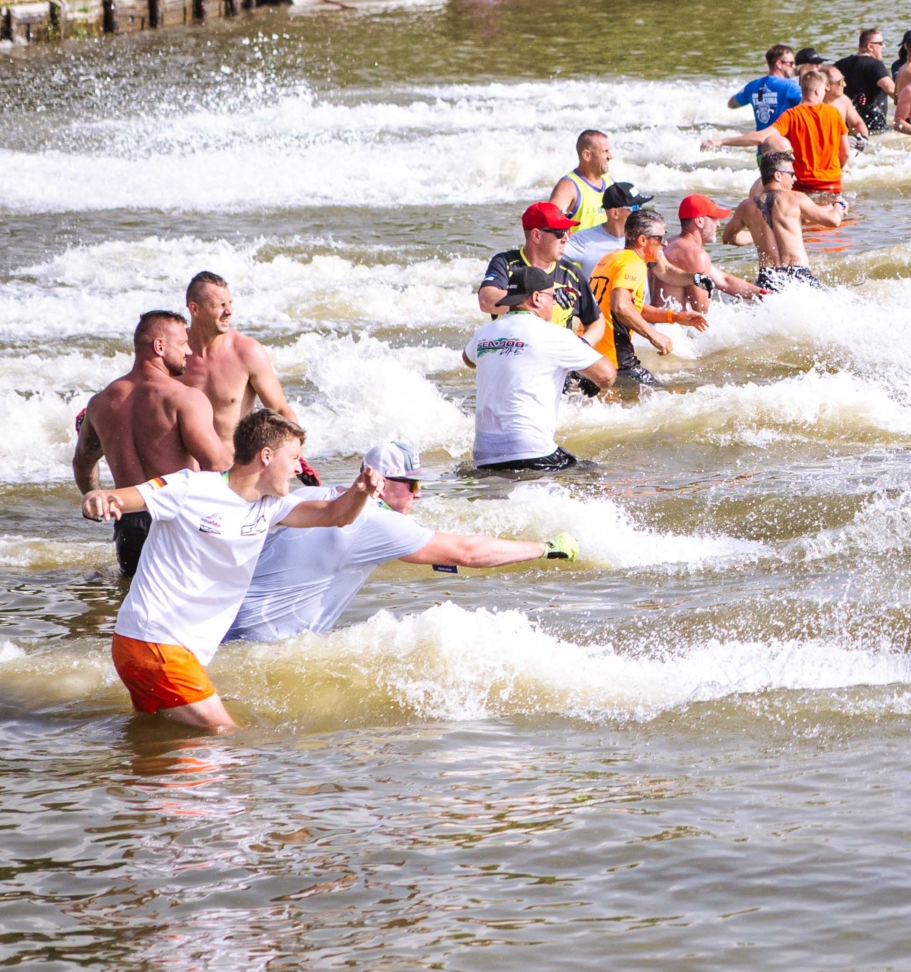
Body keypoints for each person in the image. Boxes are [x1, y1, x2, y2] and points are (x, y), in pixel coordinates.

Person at [83, 408, 382, 733]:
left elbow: (335, 514)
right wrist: (99, 498)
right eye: (294, 457)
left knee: (166, 746)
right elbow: (123, 497)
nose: (299, 468)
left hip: (161, 649)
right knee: (227, 739)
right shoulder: (189, 488)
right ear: (266, 456)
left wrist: (360, 491)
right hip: (156, 641)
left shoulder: (271, 506)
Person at [227, 440, 577, 645]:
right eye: (411, 484)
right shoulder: (378, 522)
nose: (418, 493)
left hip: (224, 628)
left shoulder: (317, 495)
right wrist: (543, 548)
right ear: (380, 481)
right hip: (266, 643)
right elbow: (468, 553)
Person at [72, 311, 226, 582]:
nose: (189, 351)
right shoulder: (185, 398)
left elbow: (83, 463)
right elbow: (217, 466)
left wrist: (98, 502)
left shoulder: (101, 402)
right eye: (182, 343)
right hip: (175, 521)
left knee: (134, 602)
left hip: (129, 524)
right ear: (159, 346)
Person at [466, 265, 616, 470]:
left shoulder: (484, 332)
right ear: (536, 298)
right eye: (552, 296)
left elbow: (468, 359)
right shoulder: (555, 335)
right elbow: (607, 376)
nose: (554, 302)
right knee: (591, 473)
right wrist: (576, 367)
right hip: (531, 449)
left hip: (484, 455)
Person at [178, 271, 298, 453]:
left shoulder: (247, 352)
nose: (229, 311)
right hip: (186, 471)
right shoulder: (174, 352)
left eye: (230, 303)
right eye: (219, 305)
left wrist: (297, 458)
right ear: (195, 309)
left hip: (231, 468)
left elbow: (280, 410)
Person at [586, 208, 708, 386]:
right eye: (661, 238)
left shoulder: (610, 258)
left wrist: (674, 317)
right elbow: (620, 305)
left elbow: (630, 308)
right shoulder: (633, 263)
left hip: (590, 353)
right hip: (614, 358)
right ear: (642, 240)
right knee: (668, 398)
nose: (665, 244)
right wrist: (653, 335)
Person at [703, 67, 858, 193]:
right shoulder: (834, 113)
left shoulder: (791, 115)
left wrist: (722, 141)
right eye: (824, 89)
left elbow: (760, 138)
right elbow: (845, 152)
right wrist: (836, 171)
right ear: (817, 91)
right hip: (833, 186)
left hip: (803, 187)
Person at [721, 150, 844, 290]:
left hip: (767, 278)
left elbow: (729, 238)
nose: (795, 179)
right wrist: (839, 205)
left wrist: (757, 234)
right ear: (778, 175)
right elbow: (833, 220)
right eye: (791, 174)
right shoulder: (796, 198)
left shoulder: (746, 206)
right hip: (798, 275)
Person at [479, 201, 602, 332]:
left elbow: (596, 321)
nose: (566, 238)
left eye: (567, 231)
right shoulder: (504, 262)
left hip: (554, 351)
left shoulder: (572, 274)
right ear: (536, 236)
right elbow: (486, 301)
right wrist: (548, 297)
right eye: (560, 232)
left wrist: (583, 345)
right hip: (513, 348)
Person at [663, 195, 764, 310]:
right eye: (714, 218)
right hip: (674, 326)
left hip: (660, 321)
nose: (718, 224)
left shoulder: (671, 244)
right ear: (699, 221)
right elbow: (701, 309)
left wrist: (764, 294)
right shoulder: (695, 255)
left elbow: (725, 281)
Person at [562, 181, 652, 285]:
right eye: (635, 208)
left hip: (642, 302)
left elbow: (664, 270)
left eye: (641, 207)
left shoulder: (646, 237)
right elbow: (547, 259)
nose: (640, 213)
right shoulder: (585, 240)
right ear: (615, 213)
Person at [831, 28, 895, 134]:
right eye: (880, 43)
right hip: (875, 128)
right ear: (870, 46)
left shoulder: (839, 65)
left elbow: (833, 88)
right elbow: (891, 90)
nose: (883, 46)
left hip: (849, 128)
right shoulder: (875, 66)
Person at [549, 129, 614, 229]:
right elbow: (548, 227)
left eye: (609, 151)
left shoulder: (610, 183)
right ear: (587, 155)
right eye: (605, 151)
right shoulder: (568, 187)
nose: (610, 156)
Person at [730, 44, 804, 131]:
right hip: (783, 142)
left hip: (762, 142)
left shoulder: (752, 86)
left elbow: (732, 104)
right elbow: (811, 108)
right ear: (779, 64)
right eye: (791, 63)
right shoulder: (790, 86)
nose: (794, 67)